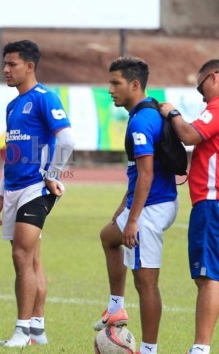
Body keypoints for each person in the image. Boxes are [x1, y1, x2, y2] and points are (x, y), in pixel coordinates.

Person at [0, 40, 75, 347]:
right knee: (33, 260)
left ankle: (22, 331)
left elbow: (66, 139)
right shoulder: (13, 106)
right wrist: (0, 194)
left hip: (35, 189)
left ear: (30, 66)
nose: (6, 70)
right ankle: (37, 328)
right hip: (13, 189)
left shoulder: (44, 98)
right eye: (5, 64)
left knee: (20, 255)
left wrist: (51, 175)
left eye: (12, 64)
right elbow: (12, 154)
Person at [94, 57, 178, 354]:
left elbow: (146, 173)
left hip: (151, 209)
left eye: (115, 83)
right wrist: (123, 206)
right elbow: (137, 170)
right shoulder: (147, 110)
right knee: (108, 236)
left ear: (134, 84)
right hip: (149, 203)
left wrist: (133, 220)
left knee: (146, 283)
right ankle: (116, 307)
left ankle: (149, 350)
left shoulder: (141, 120)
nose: (110, 90)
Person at [159, 59, 219, 354]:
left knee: (209, 278)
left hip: (211, 203)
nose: (201, 94)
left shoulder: (218, 106)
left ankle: (201, 349)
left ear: (214, 77)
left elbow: (189, 134)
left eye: (201, 86)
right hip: (211, 201)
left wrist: (173, 113)